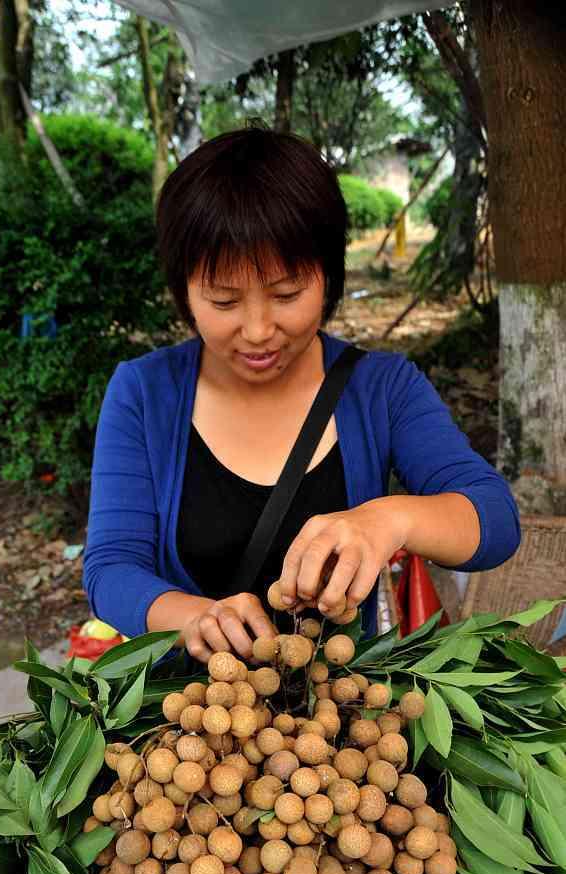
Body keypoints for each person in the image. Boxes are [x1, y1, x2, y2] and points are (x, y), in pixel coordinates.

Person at [83, 126, 520, 664]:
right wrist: (191, 615)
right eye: (224, 301)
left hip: (338, 725)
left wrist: (390, 519)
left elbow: (495, 519)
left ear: (327, 277)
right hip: (182, 723)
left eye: (287, 294)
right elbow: (111, 567)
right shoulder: (144, 392)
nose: (259, 329)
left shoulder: (381, 387)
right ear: (184, 292)